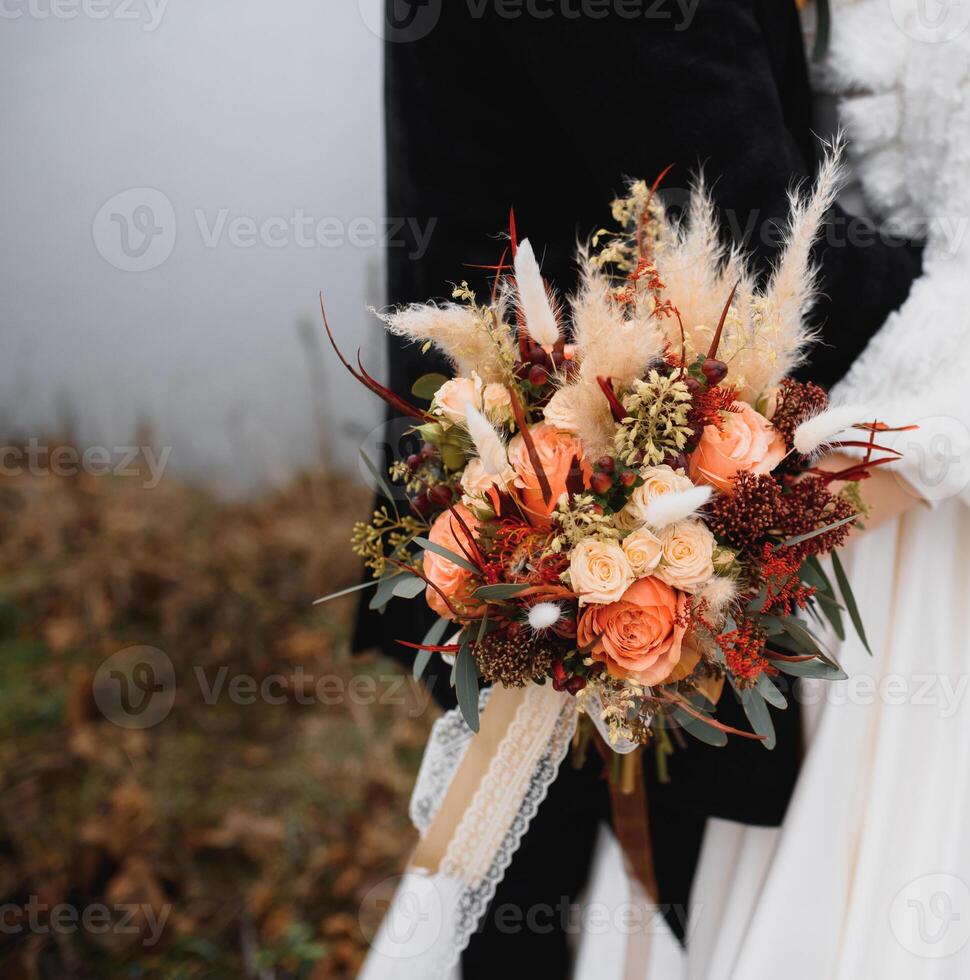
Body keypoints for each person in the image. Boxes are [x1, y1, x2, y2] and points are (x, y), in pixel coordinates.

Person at [352, 1, 923, 975]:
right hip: (577, 520)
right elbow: (762, 250)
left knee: (556, 892)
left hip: (553, 499)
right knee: (590, 905)